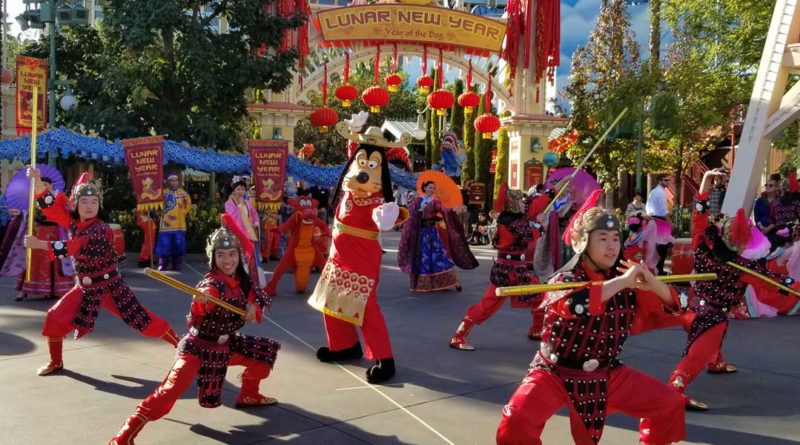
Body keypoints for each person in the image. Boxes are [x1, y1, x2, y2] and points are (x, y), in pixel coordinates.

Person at [496, 200, 686, 445]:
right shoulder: (563, 279)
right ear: (583, 242)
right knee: (515, 422)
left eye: (616, 238)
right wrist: (622, 282)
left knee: (669, 404)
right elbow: (576, 304)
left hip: (605, 372)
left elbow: (676, 308)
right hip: (554, 372)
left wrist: (655, 285)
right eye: (603, 238)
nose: (611, 247)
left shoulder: (626, 278)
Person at [108, 223, 280, 444]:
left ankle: (248, 393)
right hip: (197, 348)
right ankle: (124, 435)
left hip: (227, 346)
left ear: (239, 255)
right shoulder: (212, 283)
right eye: (221, 255)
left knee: (264, 356)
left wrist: (253, 307)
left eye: (232, 254)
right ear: (213, 258)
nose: (227, 260)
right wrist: (203, 298)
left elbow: (258, 299)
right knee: (169, 392)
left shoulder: (243, 281)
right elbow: (203, 296)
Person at [24, 168, 179, 376]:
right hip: (85, 287)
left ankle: (183, 347)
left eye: (94, 202)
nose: (89, 206)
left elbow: (75, 246)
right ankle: (55, 361)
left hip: (110, 287)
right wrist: (36, 181)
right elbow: (51, 206)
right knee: (54, 317)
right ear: (76, 205)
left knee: (143, 322)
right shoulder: (73, 222)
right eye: (85, 202)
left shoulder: (101, 230)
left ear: (99, 205)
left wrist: (40, 244)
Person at [667, 169, 795, 410]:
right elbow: (775, 283)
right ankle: (675, 388)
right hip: (711, 318)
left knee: (713, 336)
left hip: (690, 307)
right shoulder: (742, 267)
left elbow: (699, 215)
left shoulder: (702, 245)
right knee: (694, 358)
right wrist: (791, 285)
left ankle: (716, 362)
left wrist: (705, 181)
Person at [307, 137, 401, 383]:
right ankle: (344, 345)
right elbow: (355, 151)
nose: (363, 170)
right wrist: (354, 134)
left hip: (362, 256)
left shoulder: (377, 199)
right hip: (338, 253)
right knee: (333, 299)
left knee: (365, 305)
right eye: (361, 163)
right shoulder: (349, 189)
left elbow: (385, 220)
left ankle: (385, 358)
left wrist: (387, 219)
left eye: (372, 165)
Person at [449, 185, 547, 351]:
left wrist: (552, 192)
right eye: (521, 202)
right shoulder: (510, 222)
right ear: (513, 204)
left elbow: (535, 207)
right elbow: (529, 236)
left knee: (541, 296)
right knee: (488, 305)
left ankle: (536, 329)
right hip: (508, 271)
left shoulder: (511, 218)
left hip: (516, 270)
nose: (524, 204)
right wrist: (539, 224)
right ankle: (458, 336)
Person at [398, 180, 478, 292]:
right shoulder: (416, 201)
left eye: (433, 188)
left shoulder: (435, 201)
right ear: (425, 188)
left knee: (440, 256)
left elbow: (445, 210)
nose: (432, 190)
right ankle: (422, 283)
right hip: (420, 234)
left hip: (432, 233)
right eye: (430, 187)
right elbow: (408, 214)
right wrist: (418, 211)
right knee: (422, 257)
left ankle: (454, 282)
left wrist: (453, 209)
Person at [156, 173, 192, 271]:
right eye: (172, 180)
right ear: (168, 182)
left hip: (179, 224)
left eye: (176, 180)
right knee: (165, 244)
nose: (174, 182)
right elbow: (158, 205)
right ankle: (162, 263)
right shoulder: (163, 193)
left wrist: (184, 211)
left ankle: (177, 264)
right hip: (165, 224)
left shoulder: (183, 193)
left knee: (178, 244)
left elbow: (188, 204)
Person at [225, 178, 261, 263]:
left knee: (249, 256)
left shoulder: (248, 203)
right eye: (238, 189)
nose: (240, 191)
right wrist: (239, 206)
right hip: (235, 232)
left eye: (243, 189)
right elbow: (231, 216)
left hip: (248, 232)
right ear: (234, 191)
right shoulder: (228, 203)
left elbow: (255, 214)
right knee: (236, 255)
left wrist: (256, 223)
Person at [646, 174, 674, 275]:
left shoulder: (653, 192)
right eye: (665, 180)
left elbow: (648, 207)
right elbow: (663, 210)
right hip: (660, 221)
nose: (667, 182)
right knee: (662, 247)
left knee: (653, 246)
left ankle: (655, 271)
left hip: (652, 220)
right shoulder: (661, 193)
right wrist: (670, 222)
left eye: (668, 180)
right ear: (659, 181)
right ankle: (660, 272)